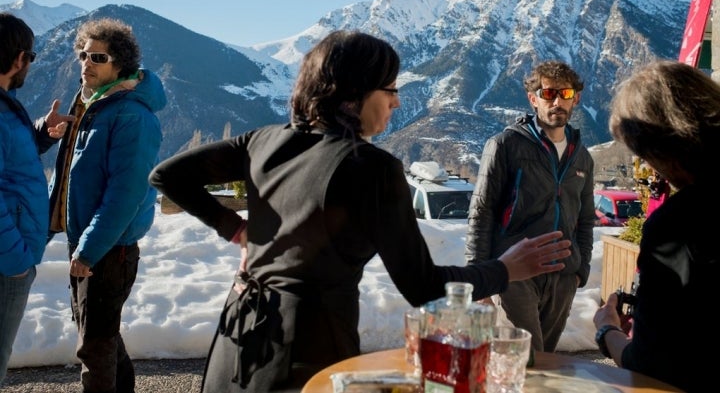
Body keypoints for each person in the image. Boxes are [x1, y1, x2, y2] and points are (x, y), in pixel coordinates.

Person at [149, 30, 573, 392]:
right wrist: (506, 269)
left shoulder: (263, 140)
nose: (397, 103)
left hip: (237, 337)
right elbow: (424, 286)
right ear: (353, 94)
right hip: (310, 351)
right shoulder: (371, 167)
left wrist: (236, 229)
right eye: (390, 90)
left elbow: (169, 175)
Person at [48, 18, 166, 393]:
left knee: (95, 345)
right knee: (101, 334)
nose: (87, 62)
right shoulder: (93, 106)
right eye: (84, 54)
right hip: (91, 241)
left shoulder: (131, 114)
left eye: (98, 56)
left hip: (109, 249)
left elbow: (125, 194)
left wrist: (89, 250)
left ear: (121, 64)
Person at [593, 60, 720, 393]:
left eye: (643, 154)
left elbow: (650, 366)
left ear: (664, 148)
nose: (649, 167)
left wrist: (608, 332)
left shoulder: (678, 224)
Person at [464, 60, 595, 353]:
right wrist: (479, 280)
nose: (558, 101)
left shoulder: (583, 158)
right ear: (533, 99)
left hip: (563, 276)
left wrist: (579, 270)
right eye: (549, 94)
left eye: (566, 94)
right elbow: (482, 212)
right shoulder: (505, 145)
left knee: (545, 361)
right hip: (516, 273)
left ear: (576, 99)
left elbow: (586, 220)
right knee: (524, 358)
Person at [0, 12, 74, 385]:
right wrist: (14, 259)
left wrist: (42, 133)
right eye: (30, 56)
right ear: (18, 59)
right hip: (5, 263)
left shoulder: (5, 106)